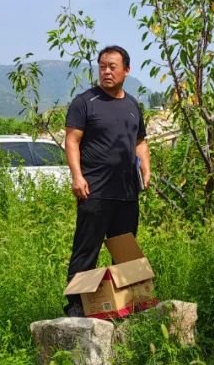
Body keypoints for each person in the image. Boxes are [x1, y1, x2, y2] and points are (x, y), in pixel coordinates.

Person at [63, 45, 151, 317]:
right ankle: (77, 306)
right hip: (94, 192)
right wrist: (77, 176)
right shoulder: (85, 102)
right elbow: (72, 140)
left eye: (112, 66)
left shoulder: (133, 105)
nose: (106, 71)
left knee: (125, 252)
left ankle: (128, 304)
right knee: (86, 250)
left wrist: (146, 168)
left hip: (126, 192)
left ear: (127, 70)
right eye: (102, 66)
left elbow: (140, 141)